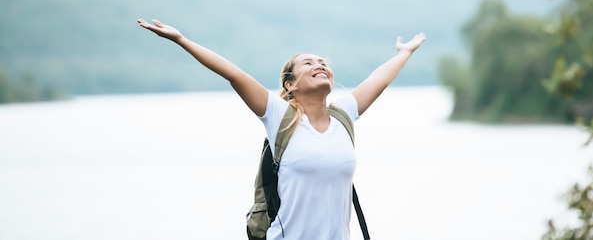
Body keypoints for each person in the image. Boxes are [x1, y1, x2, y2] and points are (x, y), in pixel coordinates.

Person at [136, 18, 426, 240]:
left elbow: (380, 79)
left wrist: (404, 53)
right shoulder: (279, 117)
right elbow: (233, 73)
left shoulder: (344, 115)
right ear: (290, 83)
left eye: (323, 62)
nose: (320, 65)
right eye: (308, 63)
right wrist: (181, 40)